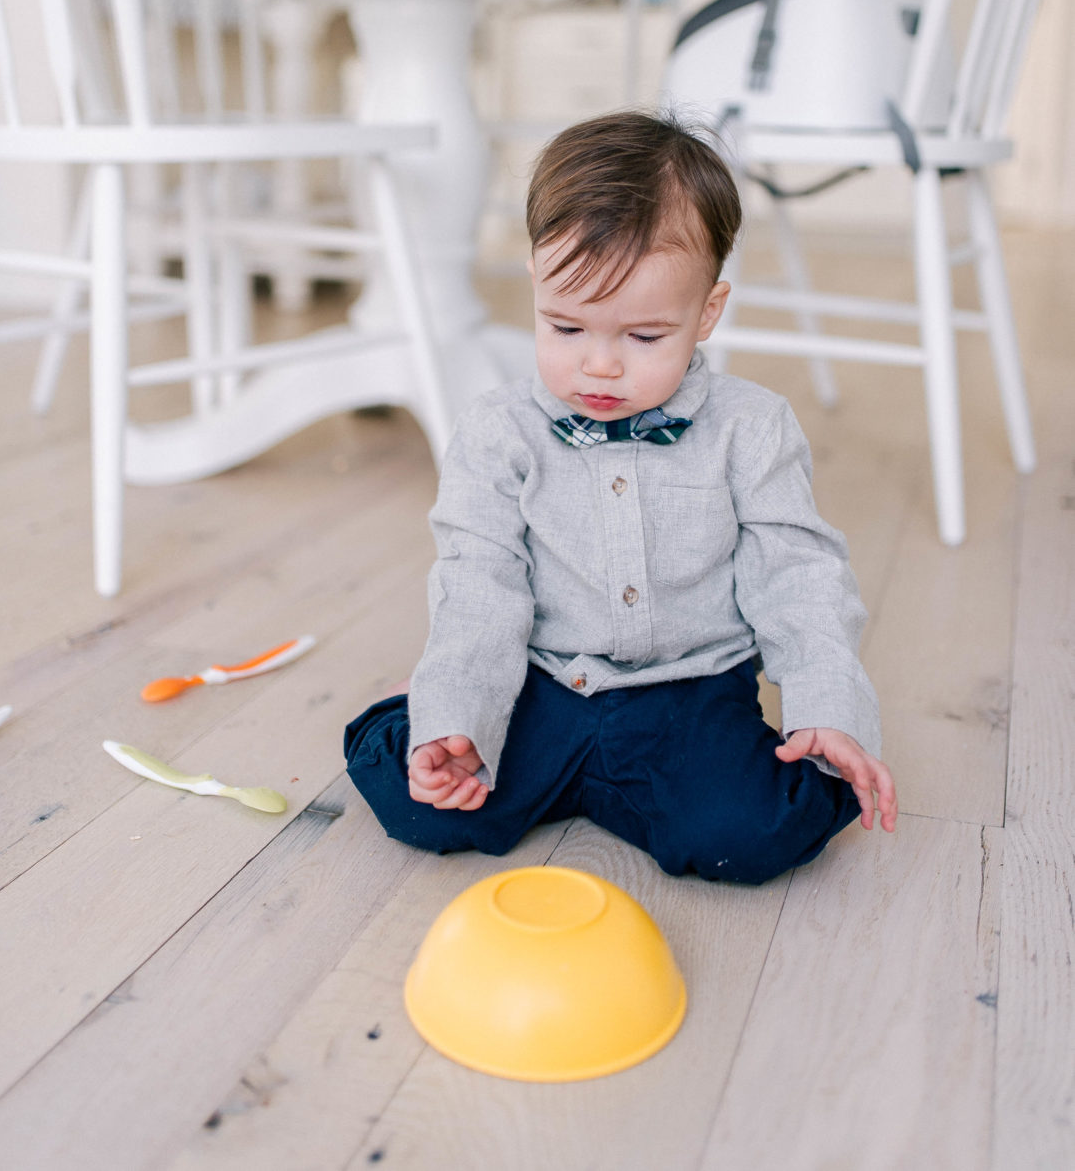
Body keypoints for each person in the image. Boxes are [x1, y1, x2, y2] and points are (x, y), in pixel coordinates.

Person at [344, 110, 897, 884]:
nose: (598, 366)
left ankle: (667, 782)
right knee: (420, 802)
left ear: (707, 311)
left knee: (753, 836)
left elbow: (797, 571)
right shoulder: (498, 431)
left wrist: (825, 704)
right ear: (536, 283)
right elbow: (480, 580)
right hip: (542, 678)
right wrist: (459, 718)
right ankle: (420, 706)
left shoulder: (753, 427)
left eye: (642, 338)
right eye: (566, 327)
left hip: (690, 688)